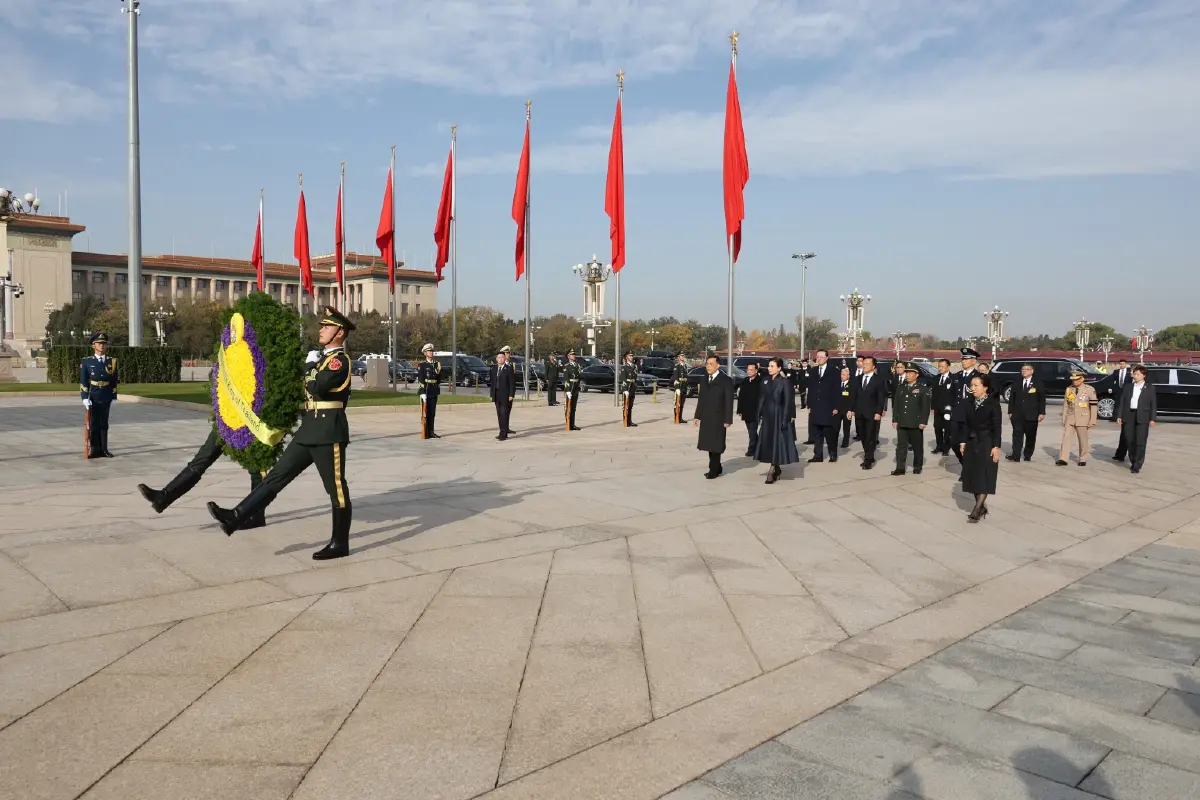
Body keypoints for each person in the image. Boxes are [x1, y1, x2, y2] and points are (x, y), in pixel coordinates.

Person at [206, 306, 355, 560]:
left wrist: (308, 369)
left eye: (327, 327)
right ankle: (236, 516)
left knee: (336, 490)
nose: (321, 329)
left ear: (339, 333)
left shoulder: (340, 361)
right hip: (309, 430)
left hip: (328, 431)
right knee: (275, 477)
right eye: (321, 325)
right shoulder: (320, 360)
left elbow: (318, 385)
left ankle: (339, 543)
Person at [139, 429, 268, 528]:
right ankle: (164, 497)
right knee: (203, 456)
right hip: (230, 414)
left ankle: (255, 516)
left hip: (255, 418)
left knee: (256, 466)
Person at [961, 374, 1002, 522]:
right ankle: (982, 506)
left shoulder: (993, 404)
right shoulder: (969, 402)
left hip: (987, 442)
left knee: (984, 475)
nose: (973, 388)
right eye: (971, 385)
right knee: (972, 475)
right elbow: (965, 424)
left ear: (985, 387)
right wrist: (963, 442)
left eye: (976, 385)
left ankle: (977, 509)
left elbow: (997, 427)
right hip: (972, 442)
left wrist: (996, 446)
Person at [755, 357, 798, 484]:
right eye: (769, 366)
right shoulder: (765, 381)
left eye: (772, 366)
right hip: (768, 417)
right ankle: (776, 467)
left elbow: (788, 402)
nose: (769, 368)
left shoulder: (785, 382)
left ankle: (772, 469)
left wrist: (786, 418)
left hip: (779, 416)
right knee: (770, 443)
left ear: (779, 368)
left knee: (778, 443)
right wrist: (758, 415)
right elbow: (761, 399)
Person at [693, 354, 734, 479]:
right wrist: (697, 415)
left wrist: (728, 419)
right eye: (707, 364)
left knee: (716, 444)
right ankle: (717, 466)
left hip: (719, 417)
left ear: (718, 365)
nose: (708, 366)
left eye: (711, 364)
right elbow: (701, 399)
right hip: (706, 417)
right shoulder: (704, 378)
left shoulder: (726, 380)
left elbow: (729, 402)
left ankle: (713, 470)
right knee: (708, 444)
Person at [80, 332, 117, 458]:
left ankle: (104, 449)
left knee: (104, 424)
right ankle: (94, 449)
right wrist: (85, 397)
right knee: (94, 424)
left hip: (106, 395)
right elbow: (84, 381)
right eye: (99, 343)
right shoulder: (87, 362)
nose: (102, 346)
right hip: (93, 396)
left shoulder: (112, 362)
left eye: (104, 344)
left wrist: (113, 395)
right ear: (93, 346)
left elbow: (114, 380)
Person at [891, 363, 932, 475]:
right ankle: (900, 468)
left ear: (917, 374)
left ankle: (917, 466)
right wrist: (895, 419)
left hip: (915, 423)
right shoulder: (901, 388)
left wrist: (923, 421)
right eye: (907, 372)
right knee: (901, 447)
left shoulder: (923, 389)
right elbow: (896, 405)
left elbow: (925, 407)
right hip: (902, 422)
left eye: (910, 373)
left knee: (917, 446)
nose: (907, 375)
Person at [848, 355, 888, 470]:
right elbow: (853, 396)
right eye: (863, 364)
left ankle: (868, 459)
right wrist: (851, 409)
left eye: (867, 364)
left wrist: (878, 412)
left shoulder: (879, 380)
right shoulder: (857, 379)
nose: (864, 366)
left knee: (870, 436)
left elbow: (881, 397)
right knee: (863, 436)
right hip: (859, 412)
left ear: (873, 366)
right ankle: (868, 454)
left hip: (872, 413)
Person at [1118, 365, 1156, 474]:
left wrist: (1152, 418)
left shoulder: (1150, 388)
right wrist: (1119, 416)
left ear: (1143, 375)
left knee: (1140, 441)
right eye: (1134, 374)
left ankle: (1137, 464)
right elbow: (1122, 402)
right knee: (1129, 440)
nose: (1135, 376)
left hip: (1143, 417)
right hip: (1129, 415)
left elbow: (1153, 404)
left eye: (1138, 374)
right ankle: (1132, 459)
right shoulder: (1128, 387)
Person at [805, 349, 841, 462]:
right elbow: (810, 388)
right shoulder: (813, 371)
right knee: (817, 433)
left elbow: (837, 390)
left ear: (826, 358)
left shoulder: (834, 371)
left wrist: (836, 407)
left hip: (828, 407)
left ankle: (832, 453)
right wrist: (809, 403)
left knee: (829, 433)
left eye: (821, 356)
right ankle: (818, 455)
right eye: (818, 356)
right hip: (816, 407)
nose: (819, 358)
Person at [1056, 369, 1098, 466]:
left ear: (1082, 379)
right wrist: (1063, 418)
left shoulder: (1089, 389)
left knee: (1082, 439)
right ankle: (1063, 458)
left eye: (1077, 379)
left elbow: (1093, 405)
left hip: (1083, 417)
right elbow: (1066, 405)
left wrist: (1092, 420)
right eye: (1073, 380)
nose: (1074, 381)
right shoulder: (1069, 389)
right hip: (1070, 417)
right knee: (1066, 437)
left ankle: (1082, 458)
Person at [1006, 363, 1045, 462]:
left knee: (1030, 437)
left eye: (1027, 369)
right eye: (1022, 369)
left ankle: (1028, 455)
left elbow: (1042, 399)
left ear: (1032, 371)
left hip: (1032, 415)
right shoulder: (1017, 382)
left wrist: (1042, 413)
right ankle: (1016, 455)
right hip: (1018, 414)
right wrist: (1010, 411)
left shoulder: (1038, 383)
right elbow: (1012, 398)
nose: (1024, 371)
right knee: (1017, 435)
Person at [949, 347, 980, 463]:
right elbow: (951, 394)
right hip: (957, 414)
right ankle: (964, 464)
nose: (963, 361)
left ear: (974, 361)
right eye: (962, 358)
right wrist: (949, 410)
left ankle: (967, 469)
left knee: (969, 443)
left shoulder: (979, 377)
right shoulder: (956, 376)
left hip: (971, 414)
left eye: (966, 359)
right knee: (953, 442)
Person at [737, 361, 764, 456]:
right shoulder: (745, 381)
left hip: (755, 411)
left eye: (751, 370)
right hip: (746, 411)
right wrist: (739, 409)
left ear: (756, 370)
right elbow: (741, 396)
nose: (749, 371)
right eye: (748, 370)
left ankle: (752, 450)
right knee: (750, 431)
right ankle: (758, 447)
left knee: (752, 431)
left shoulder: (760, 381)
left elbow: (762, 397)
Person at [417, 343, 442, 439]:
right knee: (425, 413)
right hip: (426, 390)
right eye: (429, 351)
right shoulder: (422, 365)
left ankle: (431, 432)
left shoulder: (437, 364)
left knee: (432, 413)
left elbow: (439, 378)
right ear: (425, 353)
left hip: (434, 390)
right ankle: (425, 432)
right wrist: (422, 392)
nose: (431, 353)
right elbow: (421, 379)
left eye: (432, 351)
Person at [930, 358, 954, 455]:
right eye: (939, 366)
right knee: (937, 427)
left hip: (948, 408)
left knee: (947, 429)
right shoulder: (936, 378)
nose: (940, 368)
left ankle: (946, 448)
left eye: (943, 366)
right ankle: (939, 446)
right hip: (937, 408)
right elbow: (934, 394)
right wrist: (932, 407)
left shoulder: (953, 378)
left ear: (948, 367)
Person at [491, 349, 516, 440]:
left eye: (502, 357)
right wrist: (492, 395)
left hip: (506, 395)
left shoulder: (508, 369)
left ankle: (504, 434)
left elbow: (512, 383)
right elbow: (492, 383)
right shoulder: (494, 369)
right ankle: (501, 431)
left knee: (504, 413)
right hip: (497, 395)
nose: (501, 359)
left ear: (504, 358)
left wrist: (511, 394)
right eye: (499, 357)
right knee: (499, 414)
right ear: (496, 359)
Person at [563, 352, 583, 431]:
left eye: (574, 354)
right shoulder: (566, 366)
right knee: (568, 406)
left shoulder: (577, 366)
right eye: (572, 355)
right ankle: (568, 423)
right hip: (570, 387)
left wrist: (579, 386)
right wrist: (567, 390)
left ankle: (572, 424)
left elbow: (579, 377)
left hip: (575, 388)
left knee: (574, 407)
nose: (574, 356)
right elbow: (566, 379)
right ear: (568, 356)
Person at [619, 351, 638, 427]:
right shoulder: (624, 367)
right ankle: (625, 420)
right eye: (630, 356)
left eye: (632, 355)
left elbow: (635, 378)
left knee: (630, 405)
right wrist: (625, 390)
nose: (631, 357)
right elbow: (622, 379)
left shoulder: (634, 367)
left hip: (632, 387)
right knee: (626, 405)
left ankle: (630, 421)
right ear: (626, 357)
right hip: (627, 387)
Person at [671, 352, 690, 424]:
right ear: (678, 357)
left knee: (682, 404)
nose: (683, 357)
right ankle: (676, 417)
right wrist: (677, 388)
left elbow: (686, 377)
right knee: (677, 403)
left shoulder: (685, 366)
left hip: (684, 387)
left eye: (683, 355)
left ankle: (680, 417)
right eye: (682, 356)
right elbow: (675, 378)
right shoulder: (677, 366)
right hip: (679, 387)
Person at [837, 367, 854, 448]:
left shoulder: (852, 385)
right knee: (836, 426)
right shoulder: (837, 384)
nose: (841, 376)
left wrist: (851, 410)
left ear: (848, 376)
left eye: (843, 374)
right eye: (841, 374)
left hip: (847, 410)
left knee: (846, 428)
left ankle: (845, 442)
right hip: (838, 410)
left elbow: (852, 399)